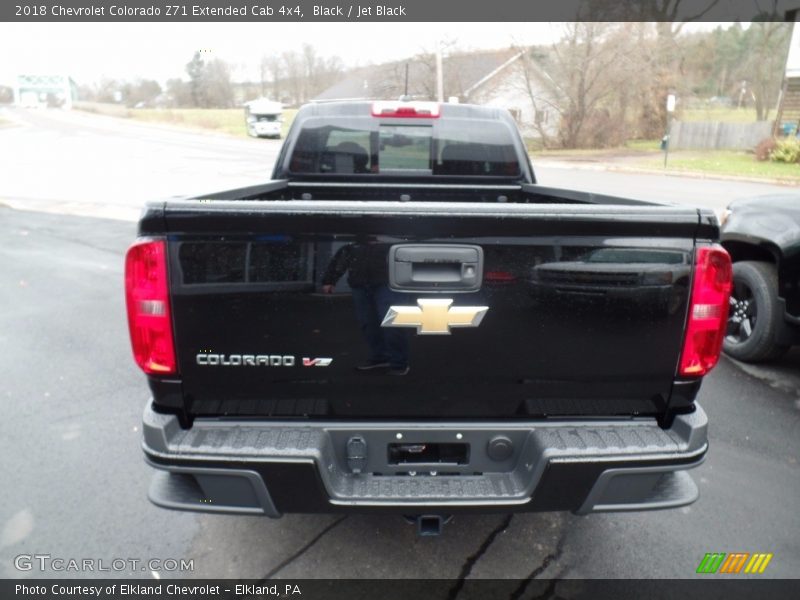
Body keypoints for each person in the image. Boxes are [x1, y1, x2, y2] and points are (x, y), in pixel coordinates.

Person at [322, 240, 410, 375]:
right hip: (361, 285)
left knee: (392, 323)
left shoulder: (391, 238)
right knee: (368, 324)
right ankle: (380, 357)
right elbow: (341, 259)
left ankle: (398, 362)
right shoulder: (355, 241)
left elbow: (407, 257)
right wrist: (329, 280)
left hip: (387, 285)